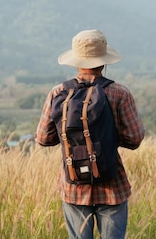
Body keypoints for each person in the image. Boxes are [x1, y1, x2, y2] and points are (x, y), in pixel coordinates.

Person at [35, 29, 145, 239]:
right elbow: (135, 138)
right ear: (103, 62)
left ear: (76, 61)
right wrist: (107, 137)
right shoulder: (119, 93)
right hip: (112, 186)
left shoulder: (58, 93)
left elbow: (42, 138)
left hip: (73, 185)